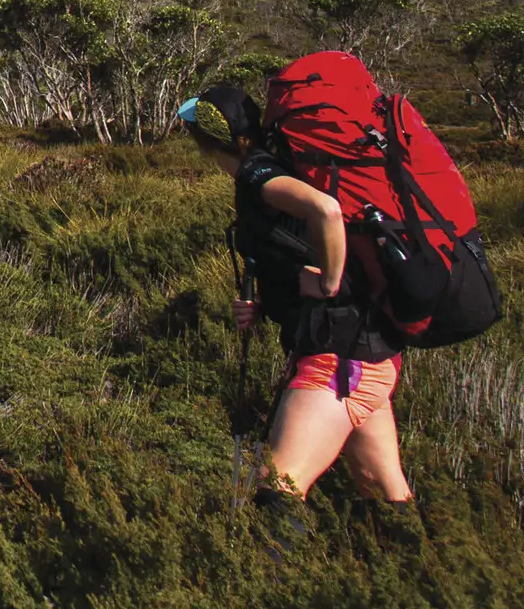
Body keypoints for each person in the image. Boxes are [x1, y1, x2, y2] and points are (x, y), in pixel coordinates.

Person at [177, 81, 415, 505]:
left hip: (338, 358)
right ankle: (428, 563)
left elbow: (326, 210)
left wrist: (328, 282)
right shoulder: (278, 164)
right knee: (385, 496)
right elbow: (296, 244)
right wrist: (267, 302)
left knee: (277, 486)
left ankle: (265, 570)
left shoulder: (258, 175)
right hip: (367, 351)